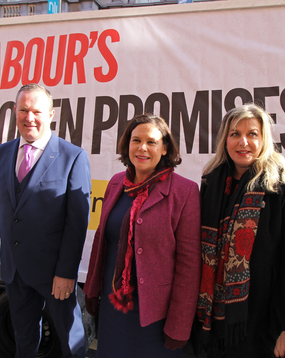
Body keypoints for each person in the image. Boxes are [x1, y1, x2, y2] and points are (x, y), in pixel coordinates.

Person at [195, 104, 285, 358]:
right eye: (234, 134)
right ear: (224, 140)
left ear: (264, 140)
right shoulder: (211, 181)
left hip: (263, 321)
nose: (244, 142)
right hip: (213, 320)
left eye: (252, 134)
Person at [0, 83, 91, 358]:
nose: (30, 117)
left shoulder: (72, 156)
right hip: (14, 271)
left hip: (54, 274)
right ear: (15, 111)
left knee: (71, 341)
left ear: (51, 114)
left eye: (37, 111)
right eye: (24, 110)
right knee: (24, 339)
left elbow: (76, 225)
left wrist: (66, 273)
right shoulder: (0, 154)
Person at [83, 114, 201, 358]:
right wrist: (92, 289)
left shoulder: (184, 191)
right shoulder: (116, 183)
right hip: (113, 305)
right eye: (136, 140)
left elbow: (189, 265)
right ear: (128, 145)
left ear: (165, 147)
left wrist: (179, 325)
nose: (143, 148)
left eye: (152, 142)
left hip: (155, 316)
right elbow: (101, 241)